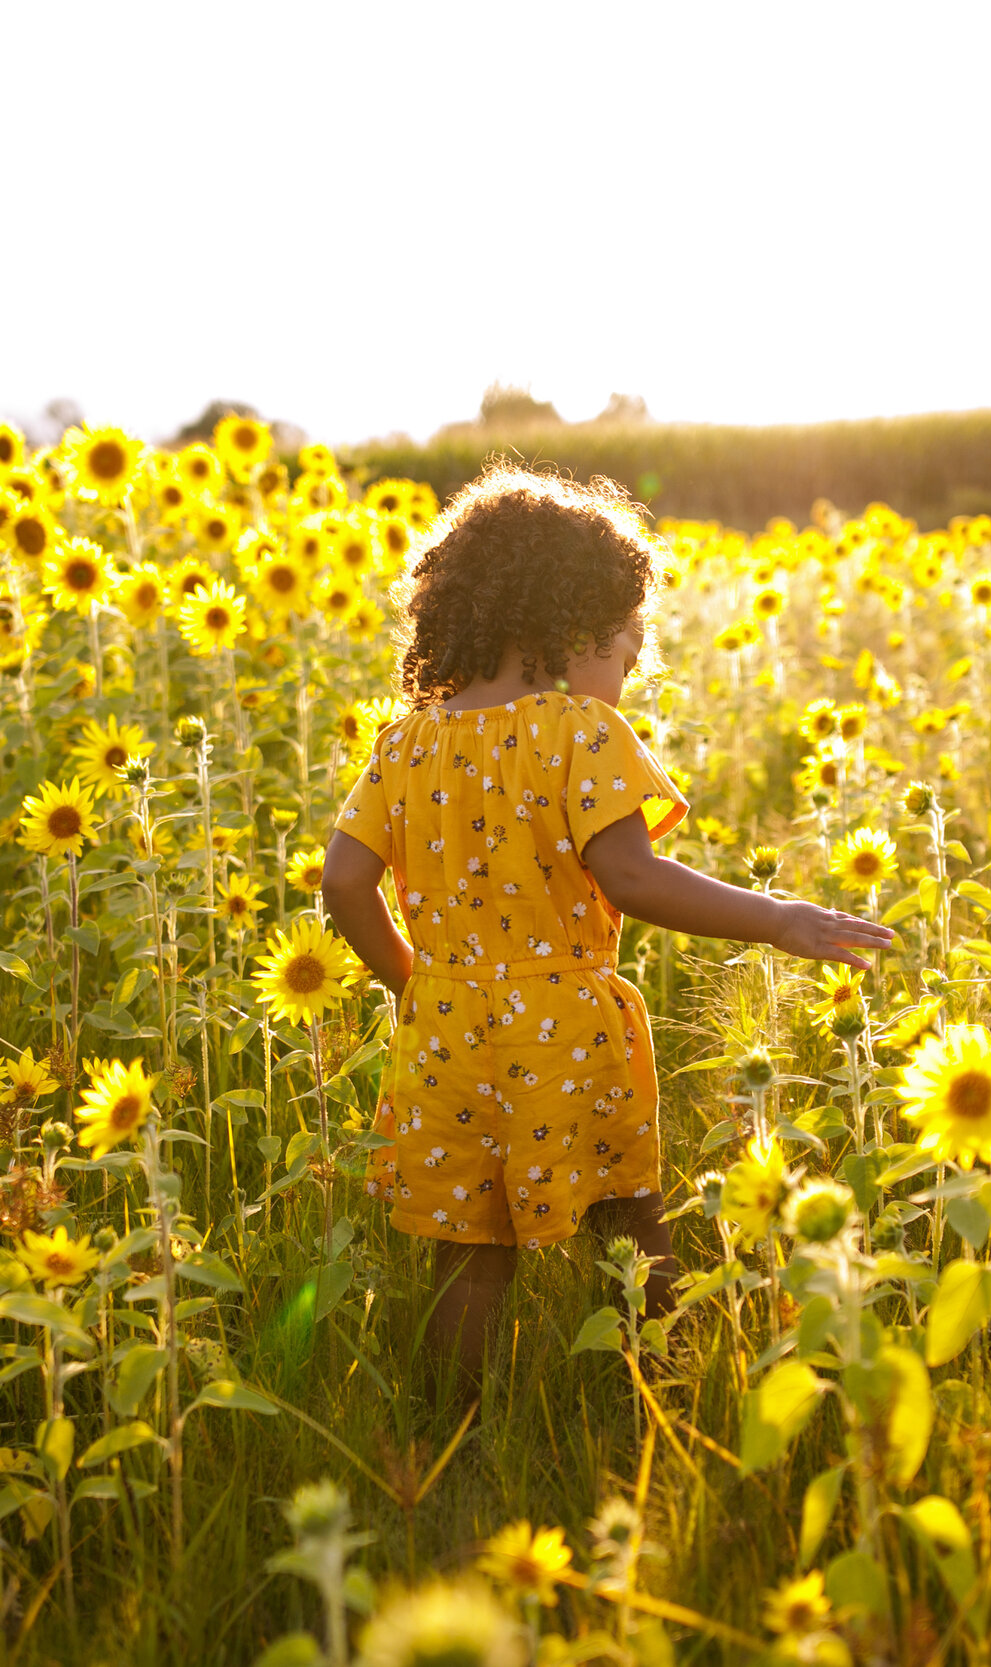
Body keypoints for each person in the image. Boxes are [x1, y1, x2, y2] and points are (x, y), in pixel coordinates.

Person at [320, 463, 894, 1407]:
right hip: (566, 1027)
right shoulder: (580, 733)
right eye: (627, 654)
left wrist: (411, 982)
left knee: (470, 1250)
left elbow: (345, 881)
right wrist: (780, 920)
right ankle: (663, 1394)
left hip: (446, 1028)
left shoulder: (406, 744)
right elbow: (632, 876)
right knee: (628, 1219)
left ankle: (446, 1431)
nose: (627, 679)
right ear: (574, 627)